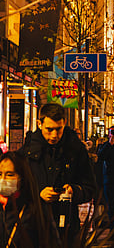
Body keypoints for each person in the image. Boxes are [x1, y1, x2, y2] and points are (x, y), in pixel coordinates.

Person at [18, 103, 96, 244]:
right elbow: (15, 192)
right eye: (49, 129)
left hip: (66, 227)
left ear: (64, 123)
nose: (54, 135)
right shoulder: (26, 153)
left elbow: (90, 187)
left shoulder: (76, 150)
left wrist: (74, 191)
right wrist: (38, 195)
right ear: (39, 124)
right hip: (35, 227)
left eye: (58, 129)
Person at [0, 151, 58, 248]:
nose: (3, 179)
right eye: (0, 174)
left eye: (10, 175)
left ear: (22, 177)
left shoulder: (34, 210)